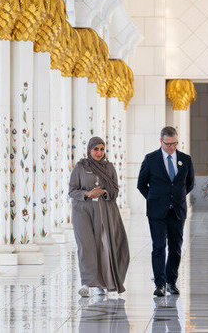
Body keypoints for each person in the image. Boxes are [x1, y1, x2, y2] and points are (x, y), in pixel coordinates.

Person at [69, 136, 130, 297]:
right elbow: (72, 191)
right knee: (86, 246)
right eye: (96, 149)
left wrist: (103, 192)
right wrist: (88, 193)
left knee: (102, 245)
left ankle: (100, 283)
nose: (99, 152)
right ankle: (86, 283)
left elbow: (115, 191)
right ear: (89, 150)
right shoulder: (81, 167)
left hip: (104, 211)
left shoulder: (108, 167)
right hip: (82, 211)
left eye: (102, 149)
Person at [137, 126, 195, 297]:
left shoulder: (185, 159)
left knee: (176, 247)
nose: (171, 147)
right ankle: (160, 284)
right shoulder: (150, 159)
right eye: (168, 144)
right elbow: (141, 184)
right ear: (161, 141)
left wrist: (175, 198)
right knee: (159, 247)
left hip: (177, 211)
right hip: (157, 212)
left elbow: (189, 184)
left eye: (174, 144)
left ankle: (171, 281)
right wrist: (155, 199)